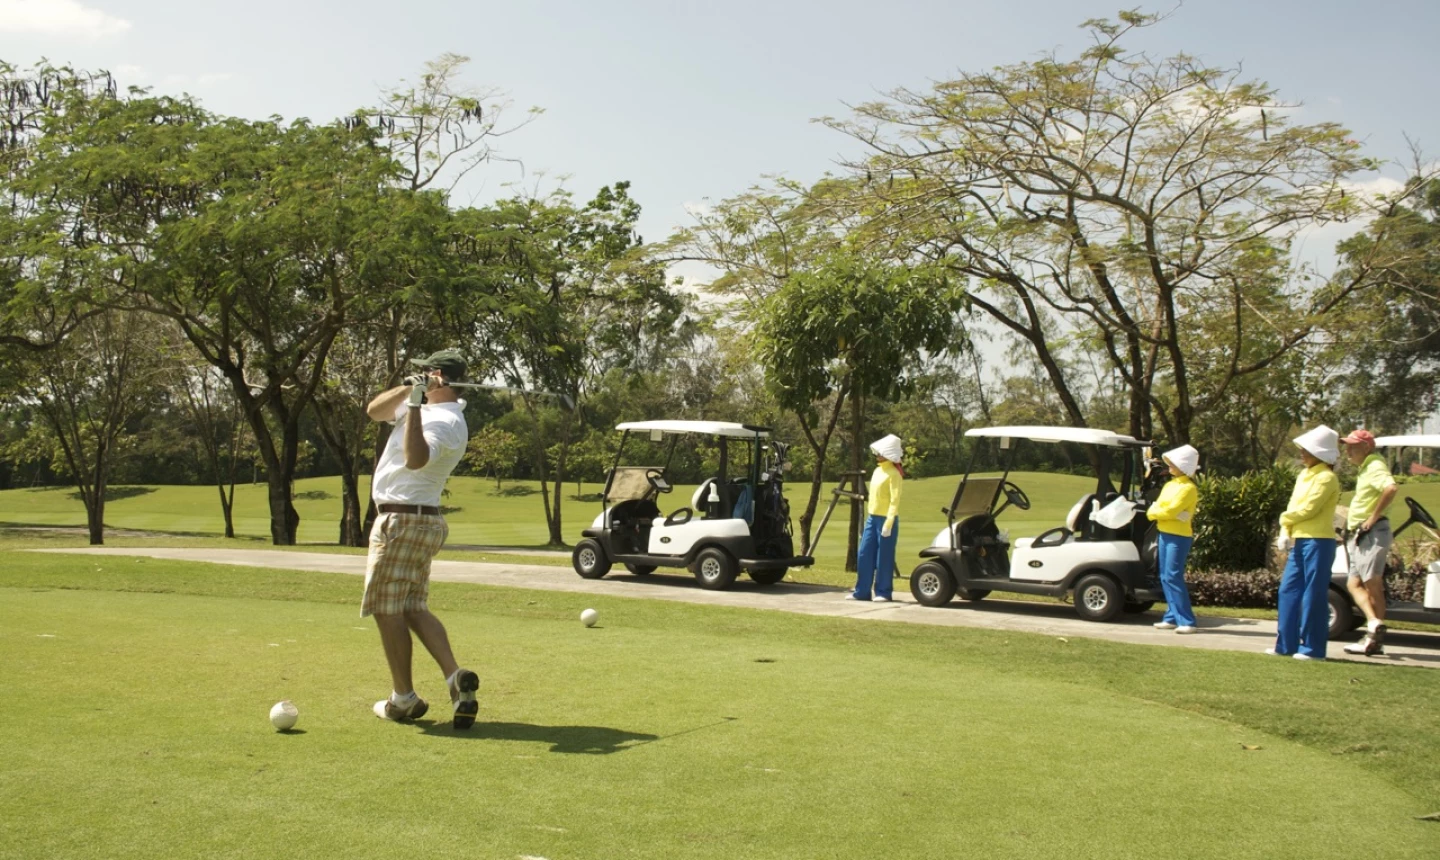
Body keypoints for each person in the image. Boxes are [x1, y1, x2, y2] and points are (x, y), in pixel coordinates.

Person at [362, 348, 480, 728]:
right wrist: (406, 392)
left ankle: (404, 699)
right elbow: (374, 412)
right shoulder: (423, 405)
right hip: (416, 521)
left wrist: (414, 407)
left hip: (402, 521)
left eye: (423, 374)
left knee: (387, 608)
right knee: (412, 606)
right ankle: (454, 678)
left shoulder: (444, 421)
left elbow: (415, 459)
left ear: (438, 376)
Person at [1269, 425, 1341, 661]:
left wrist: (1284, 520)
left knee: (1313, 594)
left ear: (1320, 453)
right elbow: (1293, 506)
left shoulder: (1327, 477)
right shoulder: (1305, 475)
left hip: (1319, 542)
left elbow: (1309, 509)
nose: (1302, 454)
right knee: (1288, 590)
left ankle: (1313, 648)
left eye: (1306, 450)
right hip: (1300, 540)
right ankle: (1286, 645)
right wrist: (1285, 530)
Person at [1340, 429, 1397, 657]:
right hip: (1361, 535)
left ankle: (1374, 639)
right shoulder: (1366, 468)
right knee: (1354, 584)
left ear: (1366, 447)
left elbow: (1391, 488)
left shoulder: (1374, 465)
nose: (1348, 451)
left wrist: (1372, 518)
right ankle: (1373, 623)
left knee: (1372, 584)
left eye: (1353, 446)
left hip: (1371, 532)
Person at [1147, 444, 1201, 634]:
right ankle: (1171, 616)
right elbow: (1158, 508)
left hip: (1179, 537)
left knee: (1172, 576)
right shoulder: (1170, 485)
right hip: (1165, 532)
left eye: (1173, 463)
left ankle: (1187, 621)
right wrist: (1160, 512)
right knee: (1164, 576)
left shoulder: (1189, 488)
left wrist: (1159, 512)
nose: (1168, 465)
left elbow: (1168, 509)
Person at [850, 434, 905, 602]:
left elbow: (895, 500)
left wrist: (888, 522)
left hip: (886, 519)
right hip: (872, 518)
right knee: (864, 553)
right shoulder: (877, 471)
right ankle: (862, 591)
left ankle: (883, 592)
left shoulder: (894, 474)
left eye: (880, 452)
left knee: (884, 557)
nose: (877, 455)